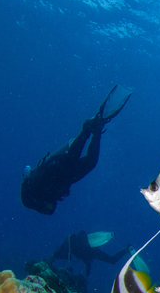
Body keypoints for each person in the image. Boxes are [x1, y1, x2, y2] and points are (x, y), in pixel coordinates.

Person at [21, 86, 130, 214]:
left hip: (54, 173)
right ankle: (96, 130)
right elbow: (49, 210)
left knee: (72, 159)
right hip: (63, 179)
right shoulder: (35, 197)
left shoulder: (35, 191)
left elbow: (48, 209)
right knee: (90, 162)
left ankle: (90, 129)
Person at [50, 231, 127, 276]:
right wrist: (86, 274)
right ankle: (127, 249)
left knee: (112, 260)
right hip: (91, 250)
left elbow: (85, 260)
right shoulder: (72, 247)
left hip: (92, 251)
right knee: (112, 260)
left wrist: (52, 257)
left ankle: (126, 249)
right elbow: (86, 262)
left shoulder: (71, 247)